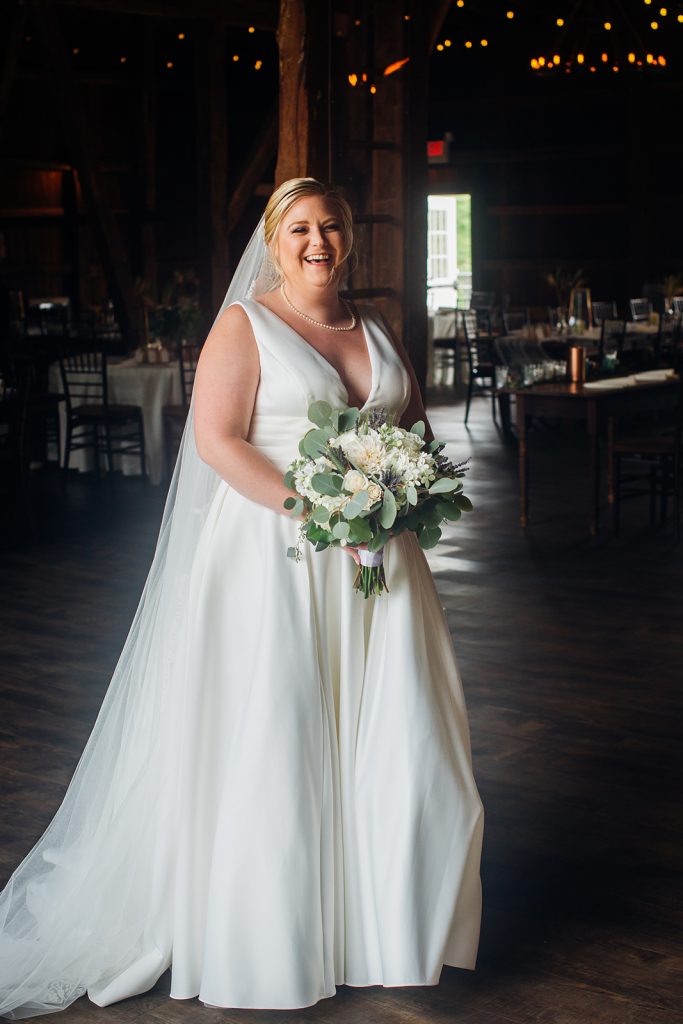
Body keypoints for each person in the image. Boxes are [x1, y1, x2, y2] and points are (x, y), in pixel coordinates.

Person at [0, 178, 483, 1018]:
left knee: (402, 740)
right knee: (280, 734)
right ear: (274, 238)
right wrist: (324, 510)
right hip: (275, 555)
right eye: (300, 228)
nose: (318, 241)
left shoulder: (374, 327)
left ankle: (383, 929)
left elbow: (413, 433)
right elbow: (217, 441)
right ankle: (273, 938)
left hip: (381, 566)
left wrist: (404, 491)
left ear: (349, 238)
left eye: (331, 225)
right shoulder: (245, 323)